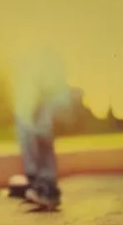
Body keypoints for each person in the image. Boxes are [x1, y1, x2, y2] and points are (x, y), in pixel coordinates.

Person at [8, 49, 83, 209]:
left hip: (43, 84)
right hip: (47, 85)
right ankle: (42, 185)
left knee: (33, 124)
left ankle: (44, 187)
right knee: (33, 124)